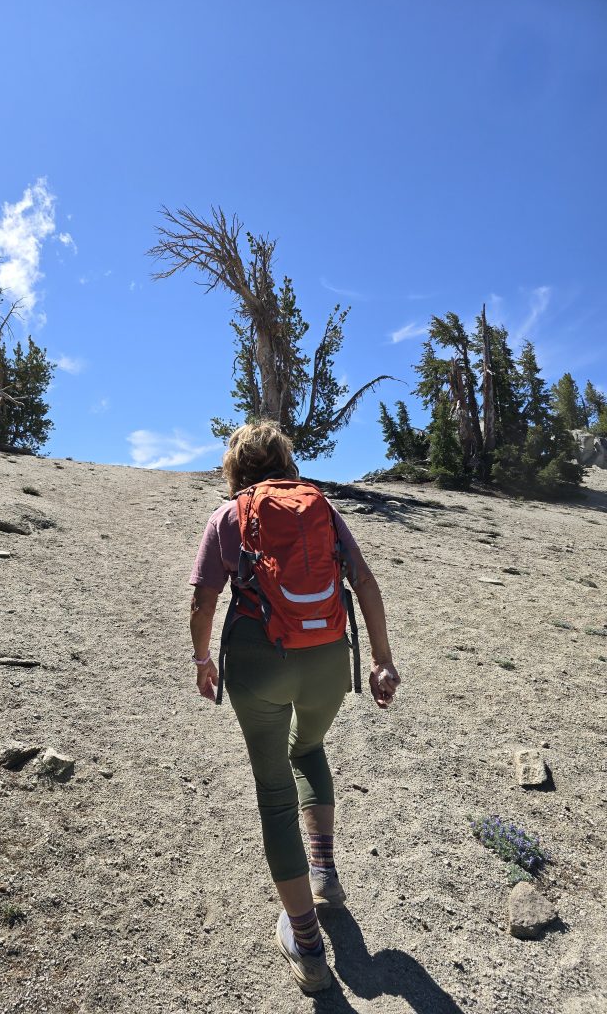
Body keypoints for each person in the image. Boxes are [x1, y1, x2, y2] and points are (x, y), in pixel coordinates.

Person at [189, 421, 400, 993]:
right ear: (288, 463)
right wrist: (381, 661)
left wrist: (203, 660)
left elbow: (205, 598)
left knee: (273, 790)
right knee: (308, 747)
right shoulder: (323, 511)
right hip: (329, 658)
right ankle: (325, 873)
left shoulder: (228, 516)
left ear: (236, 470)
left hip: (259, 660)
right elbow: (365, 584)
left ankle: (308, 946)